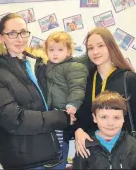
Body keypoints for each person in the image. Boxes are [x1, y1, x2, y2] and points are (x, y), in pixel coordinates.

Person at [0, 13, 76, 170]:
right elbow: (15, 119)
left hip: (56, 153)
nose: (20, 38)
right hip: (25, 161)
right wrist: (61, 118)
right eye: (12, 33)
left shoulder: (38, 65)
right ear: (1, 37)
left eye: (23, 32)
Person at [73, 27, 136, 170]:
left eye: (101, 46)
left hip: (127, 155)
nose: (95, 52)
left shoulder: (130, 79)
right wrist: (77, 130)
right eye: (90, 48)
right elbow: (81, 117)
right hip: (95, 157)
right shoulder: (86, 80)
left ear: (111, 46)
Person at [43, 31, 89, 168]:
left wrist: (73, 104)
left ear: (69, 51)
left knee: (60, 144)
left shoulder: (74, 67)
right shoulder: (49, 67)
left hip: (65, 110)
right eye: (51, 50)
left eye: (60, 49)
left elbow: (77, 87)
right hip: (51, 111)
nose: (55, 53)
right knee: (50, 143)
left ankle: (58, 162)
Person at [73, 90, 136, 169]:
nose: (110, 123)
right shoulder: (84, 145)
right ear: (94, 118)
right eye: (104, 117)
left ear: (123, 118)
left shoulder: (134, 146)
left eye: (116, 117)